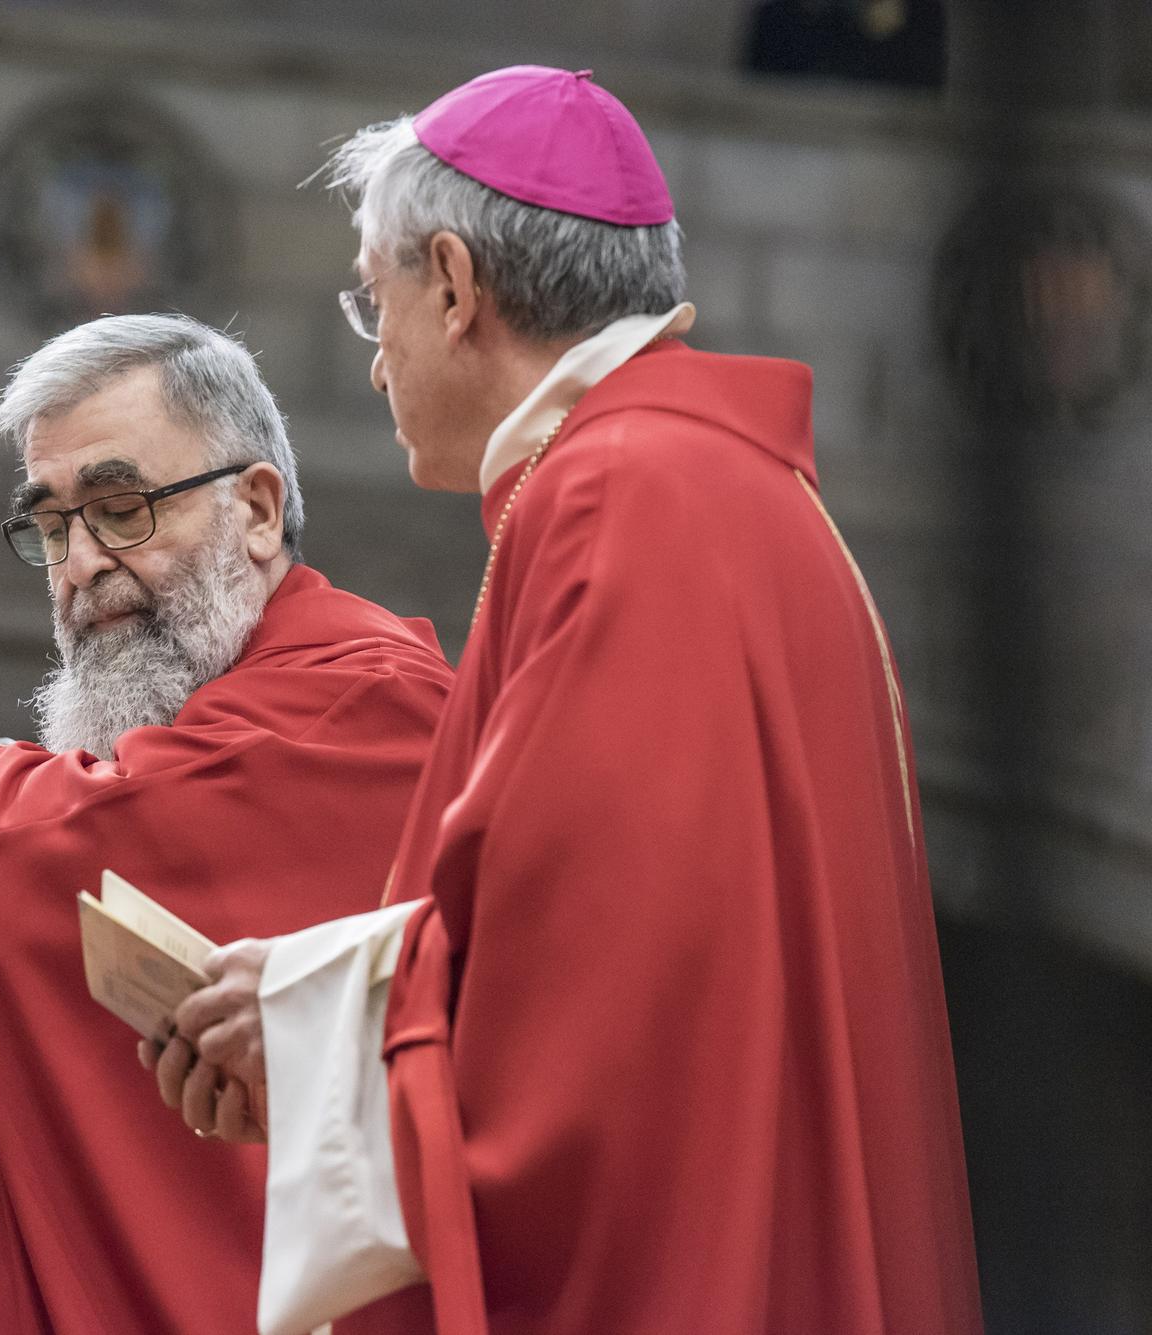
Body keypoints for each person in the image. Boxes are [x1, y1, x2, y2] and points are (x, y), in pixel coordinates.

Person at [147, 67, 984, 1335]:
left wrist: (312, 1024)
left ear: (452, 284)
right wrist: (313, 998)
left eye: (373, 306)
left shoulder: (621, 498)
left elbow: (597, 992)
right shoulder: (712, 485)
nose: (373, 366)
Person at [0, 314, 454, 1334]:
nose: (78, 566)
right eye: (50, 526)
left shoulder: (370, 698)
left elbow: (85, 851)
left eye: (120, 510)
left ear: (255, 508)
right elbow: (32, 1132)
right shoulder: (106, 782)